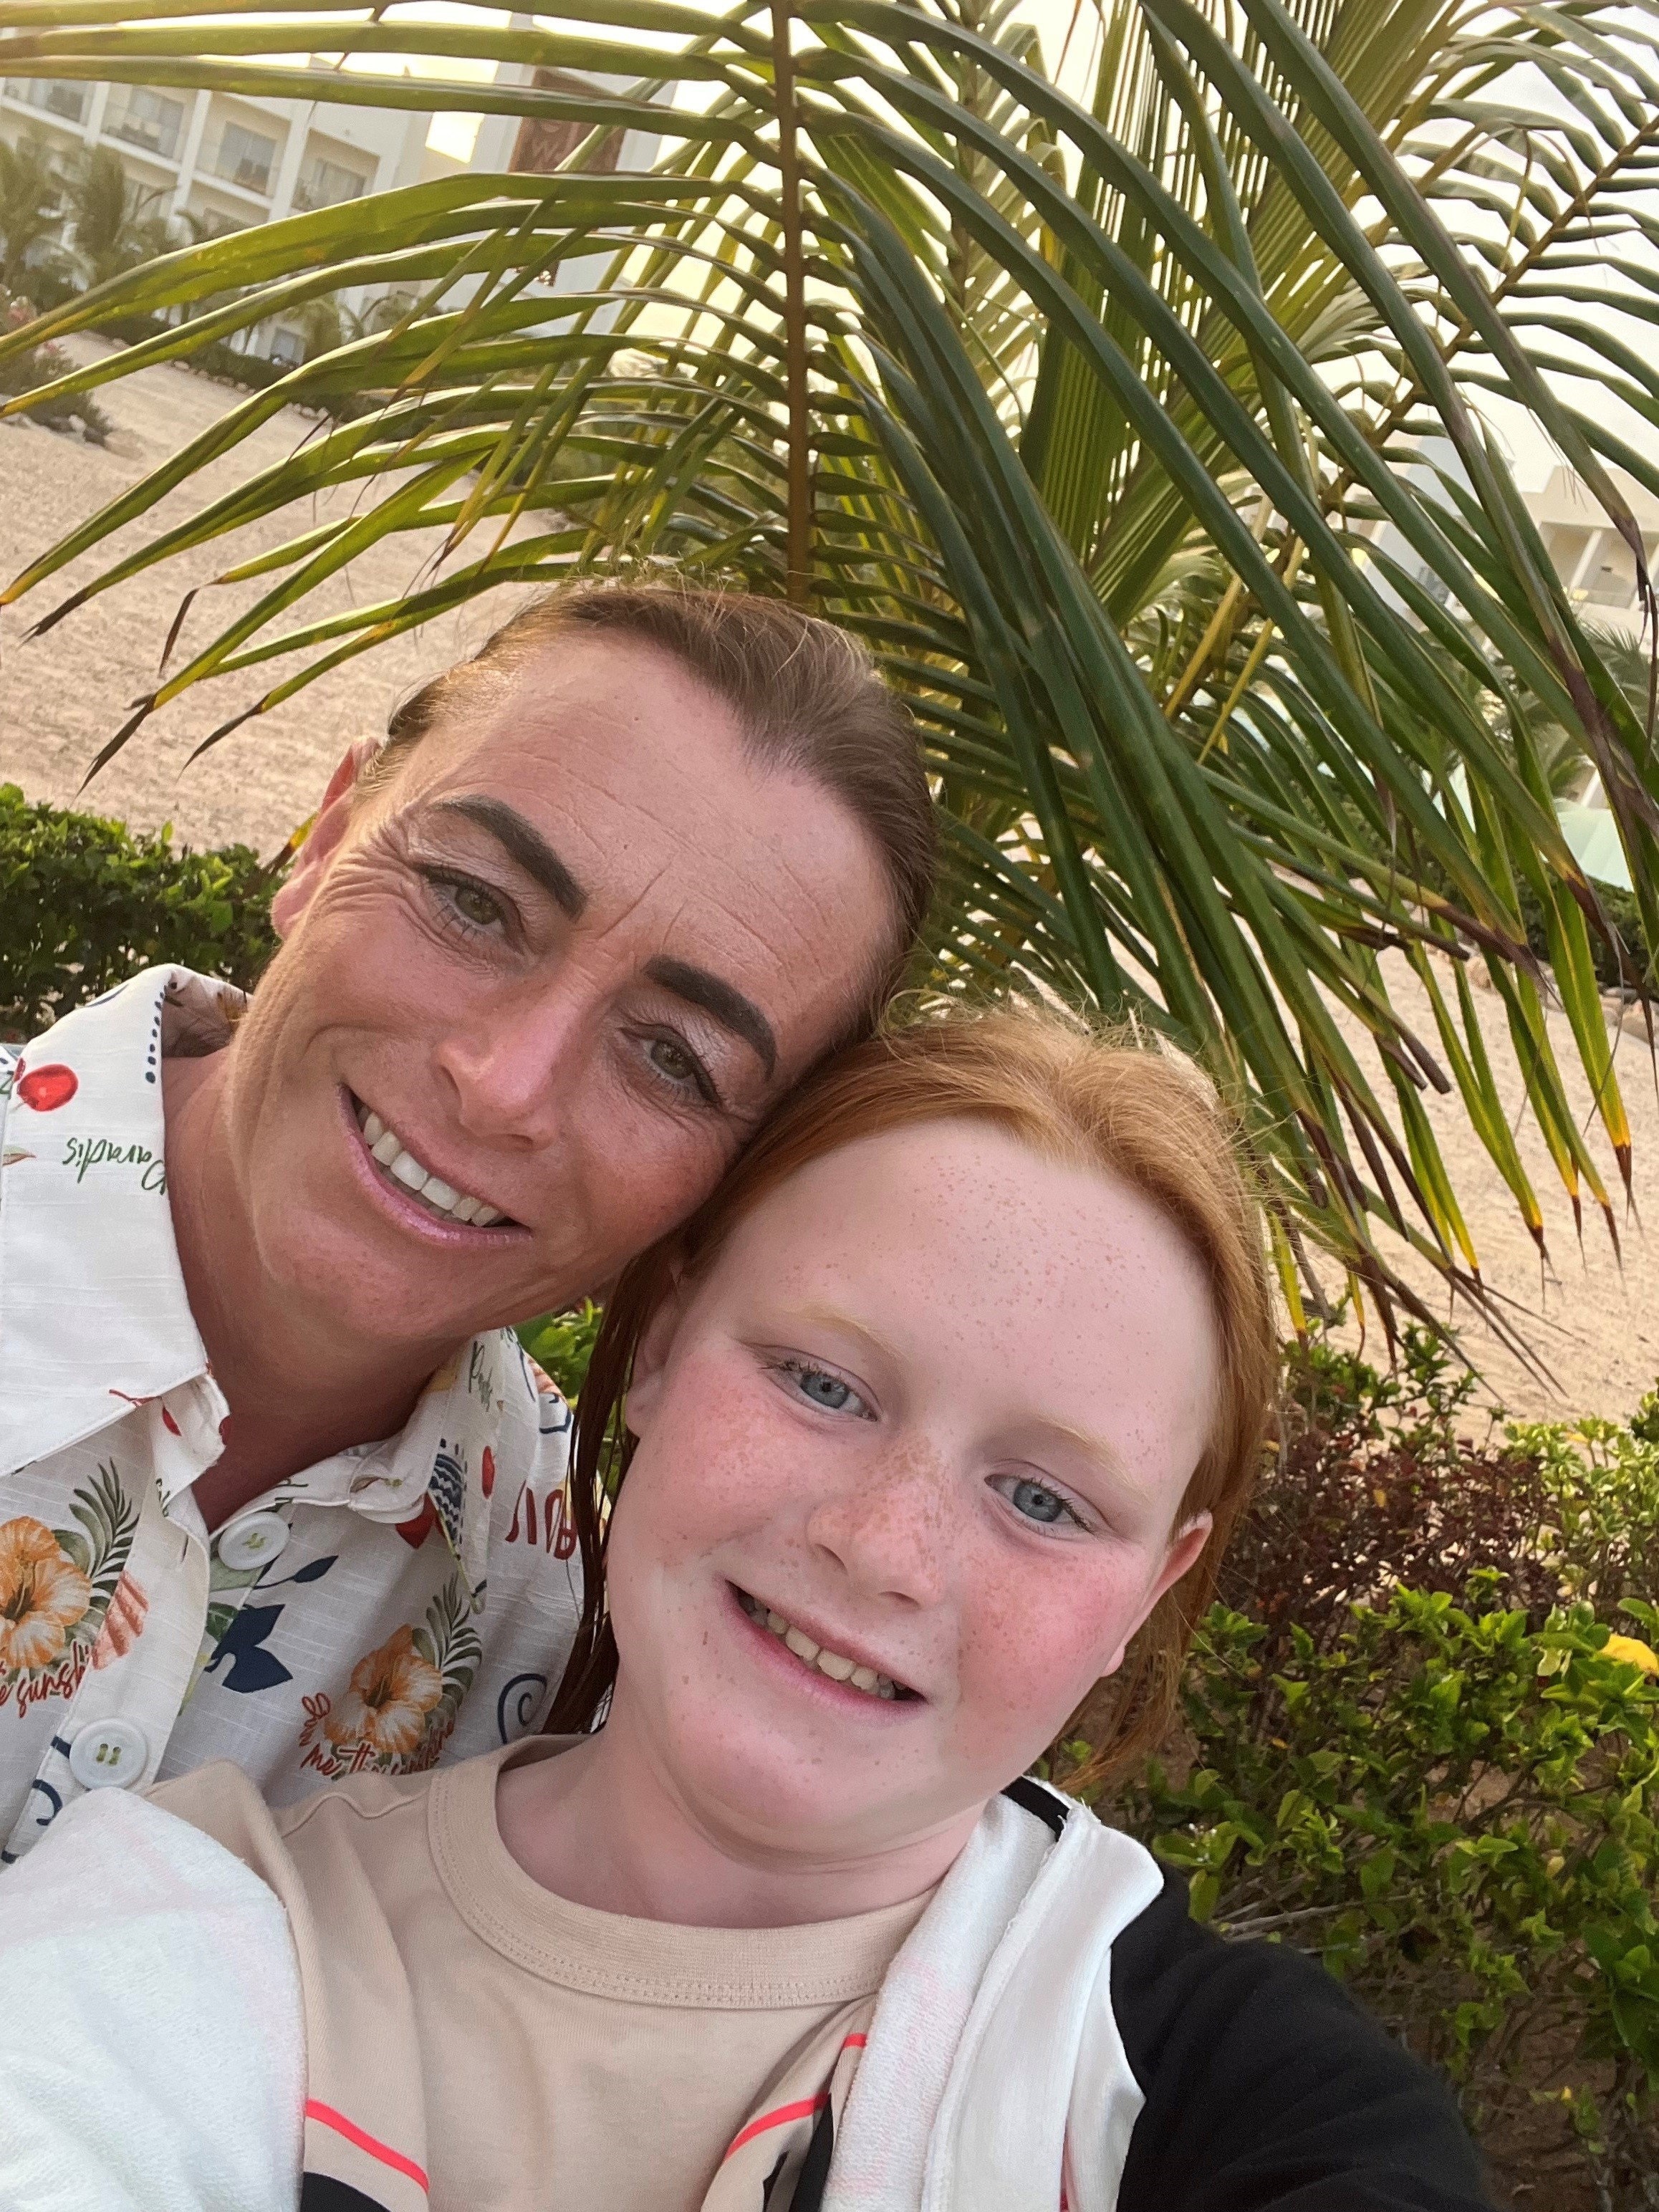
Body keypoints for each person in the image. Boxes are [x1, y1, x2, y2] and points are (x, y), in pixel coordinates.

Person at [0, 1005, 1491, 2212]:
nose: (887, 1546)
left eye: (1042, 1498)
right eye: (822, 1382)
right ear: (653, 1348)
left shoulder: (1213, 2093)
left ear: (1146, 1596)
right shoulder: (174, 1937)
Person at [0, 580, 934, 1862]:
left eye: (672, 1057)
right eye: (475, 902)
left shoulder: (556, 1608)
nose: (505, 1088)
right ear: (327, 836)